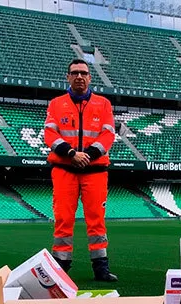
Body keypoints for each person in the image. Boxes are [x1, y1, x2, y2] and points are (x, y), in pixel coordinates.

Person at [43, 58, 118, 282]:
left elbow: (108, 134)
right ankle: (60, 266)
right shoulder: (56, 103)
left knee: (96, 219)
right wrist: (71, 154)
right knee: (63, 218)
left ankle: (101, 268)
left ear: (90, 77)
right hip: (65, 168)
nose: (79, 77)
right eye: (74, 73)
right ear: (68, 77)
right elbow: (50, 134)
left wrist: (89, 155)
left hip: (94, 170)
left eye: (83, 73)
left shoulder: (103, 104)